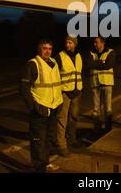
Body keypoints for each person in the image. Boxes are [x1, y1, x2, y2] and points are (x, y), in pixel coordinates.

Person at [20, 39, 63, 173]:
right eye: (45, 48)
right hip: (39, 109)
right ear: (39, 50)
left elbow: (56, 84)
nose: (47, 51)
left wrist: (59, 103)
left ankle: (46, 163)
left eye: (50, 48)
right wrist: (33, 106)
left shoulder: (54, 63)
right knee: (38, 140)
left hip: (53, 108)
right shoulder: (33, 64)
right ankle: (39, 168)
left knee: (48, 139)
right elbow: (23, 88)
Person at [54, 36, 83, 157]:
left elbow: (80, 73)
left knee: (74, 117)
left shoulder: (78, 56)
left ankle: (72, 139)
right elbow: (54, 75)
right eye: (66, 42)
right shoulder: (60, 56)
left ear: (75, 44)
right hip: (65, 92)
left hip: (77, 92)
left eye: (70, 43)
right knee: (62, 120)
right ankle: (61, 145)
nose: (68, 45)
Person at [85, 36, 116, 135]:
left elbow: (108, 65)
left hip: (107, 84)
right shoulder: (90, 53)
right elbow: (89, 64)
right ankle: (97, 131)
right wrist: (102, 62)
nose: (94, 44)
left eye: (96, 42)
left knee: (108, 109)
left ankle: (108, 130)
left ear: (103, 43)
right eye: (94, 42)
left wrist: (96, 63)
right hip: (95, 84)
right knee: (96, 110)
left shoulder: (110, 52)